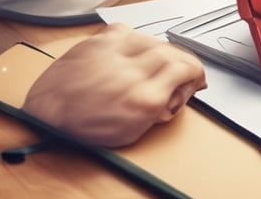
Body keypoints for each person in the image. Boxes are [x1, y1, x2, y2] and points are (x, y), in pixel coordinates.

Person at [23, 23, 207, 148]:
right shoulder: (184, 69)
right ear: (174, 105)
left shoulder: (114, 33)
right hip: (91, 138)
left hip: (31, 108)